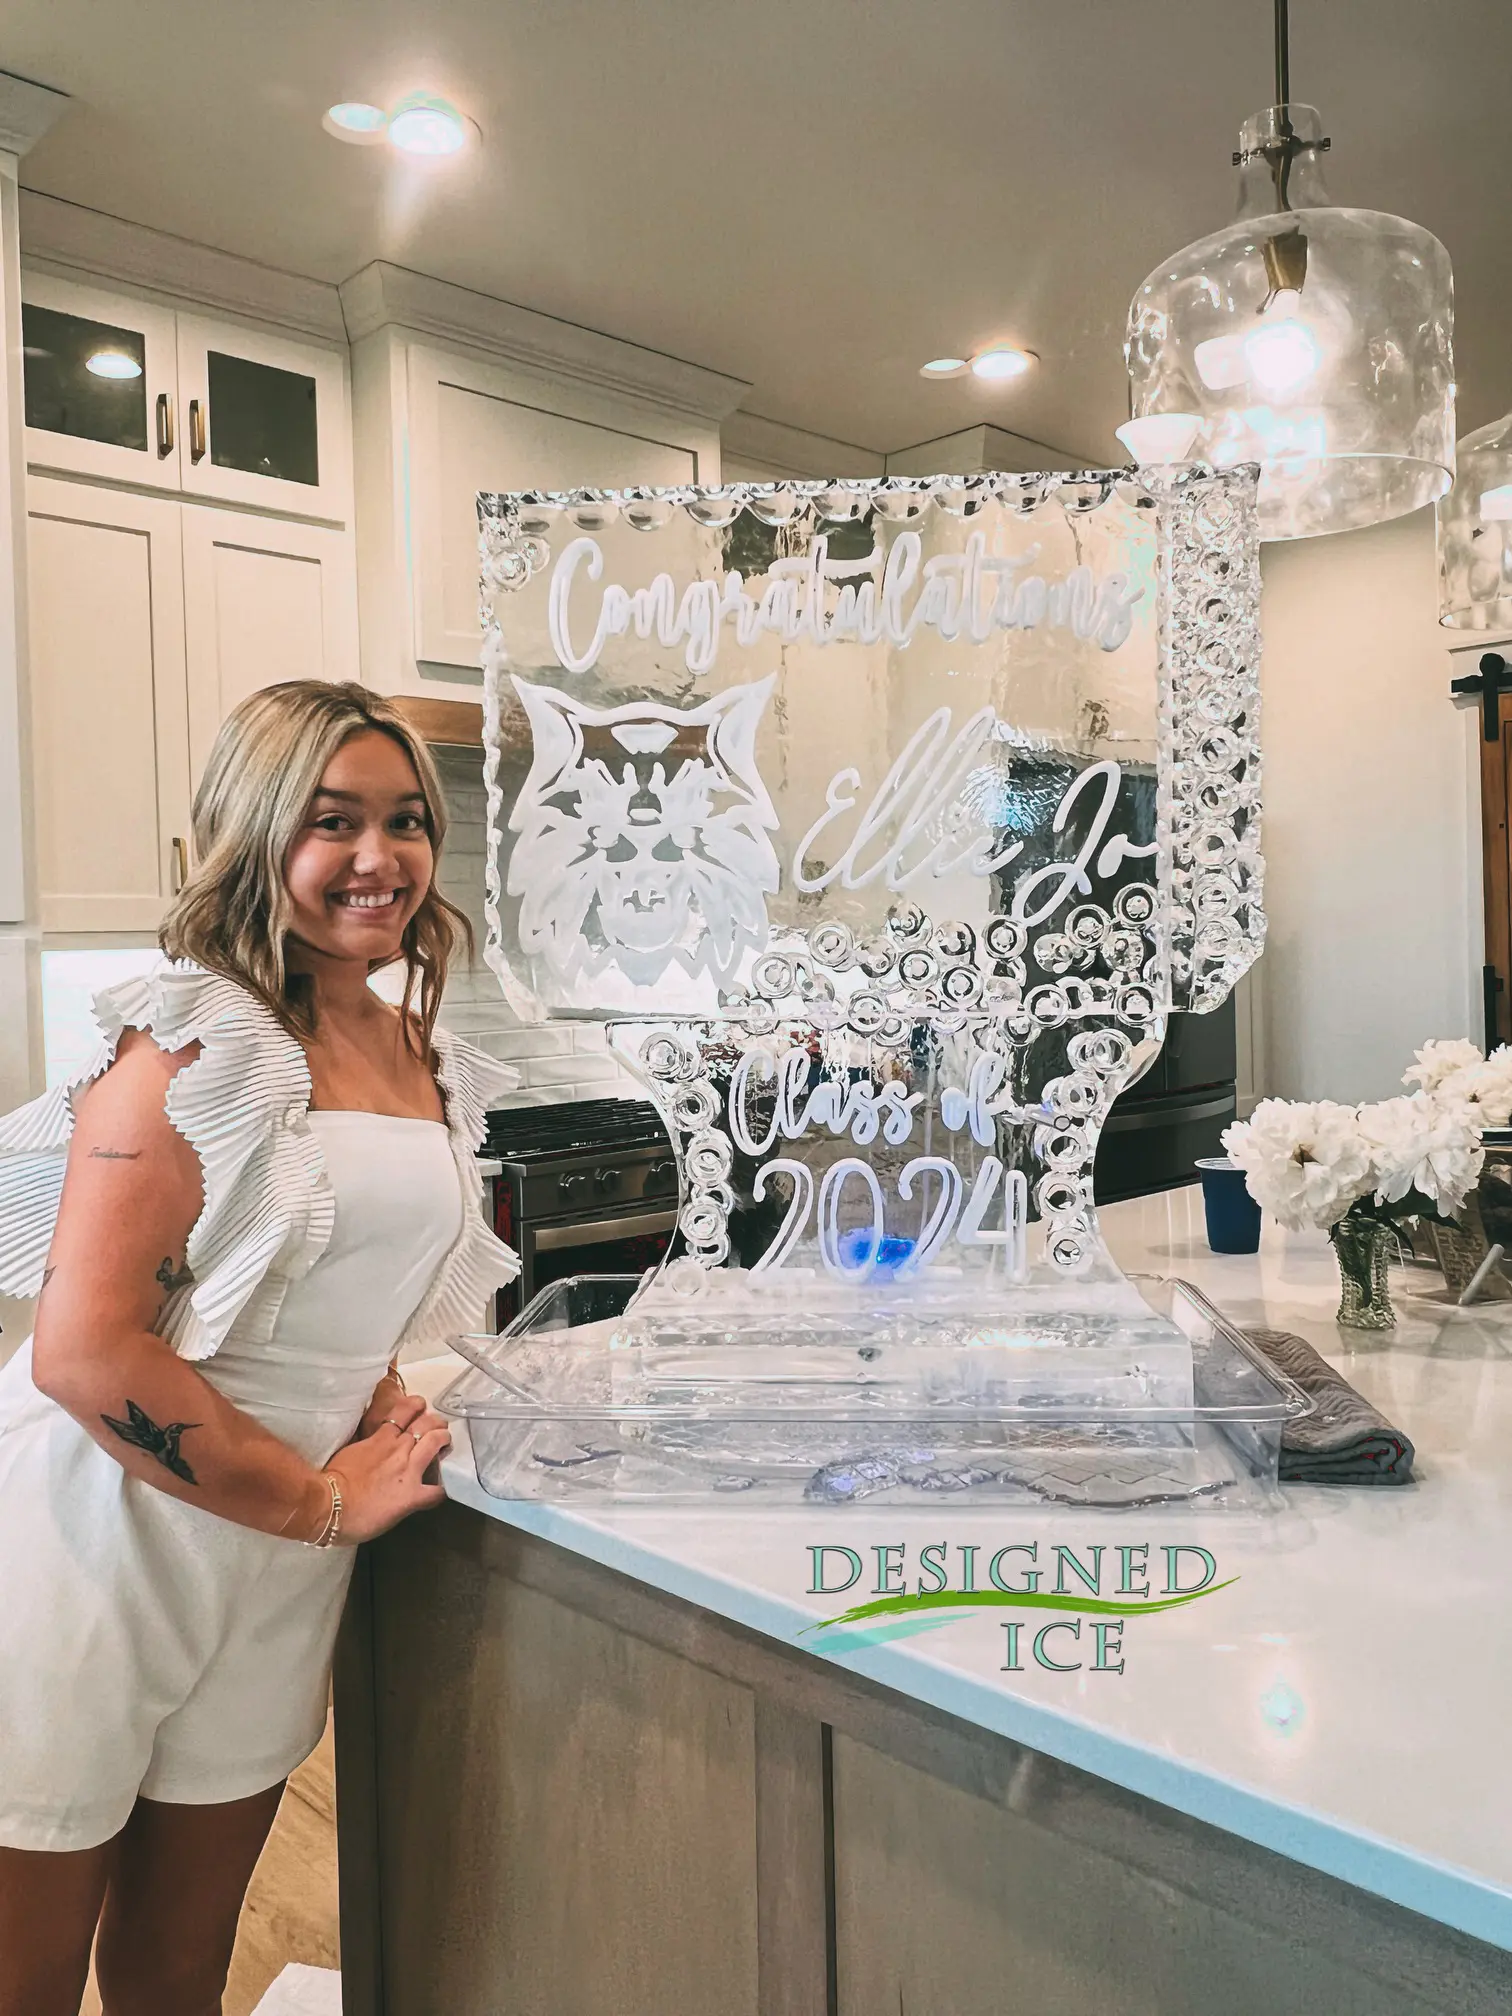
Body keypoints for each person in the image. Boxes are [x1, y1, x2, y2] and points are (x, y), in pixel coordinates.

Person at [0, 680, 520, 2016]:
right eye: (331, 820)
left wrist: (370, 1394)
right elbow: (84, 1352)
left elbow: (311, 1276)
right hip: (96, 1540)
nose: (379, 856)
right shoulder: (194, 1044)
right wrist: (315, 1500)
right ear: (255, 831)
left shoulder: (412, 1046)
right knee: (25, 1977)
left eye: (407, 821)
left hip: (276, 1557)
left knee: (179, 1965)